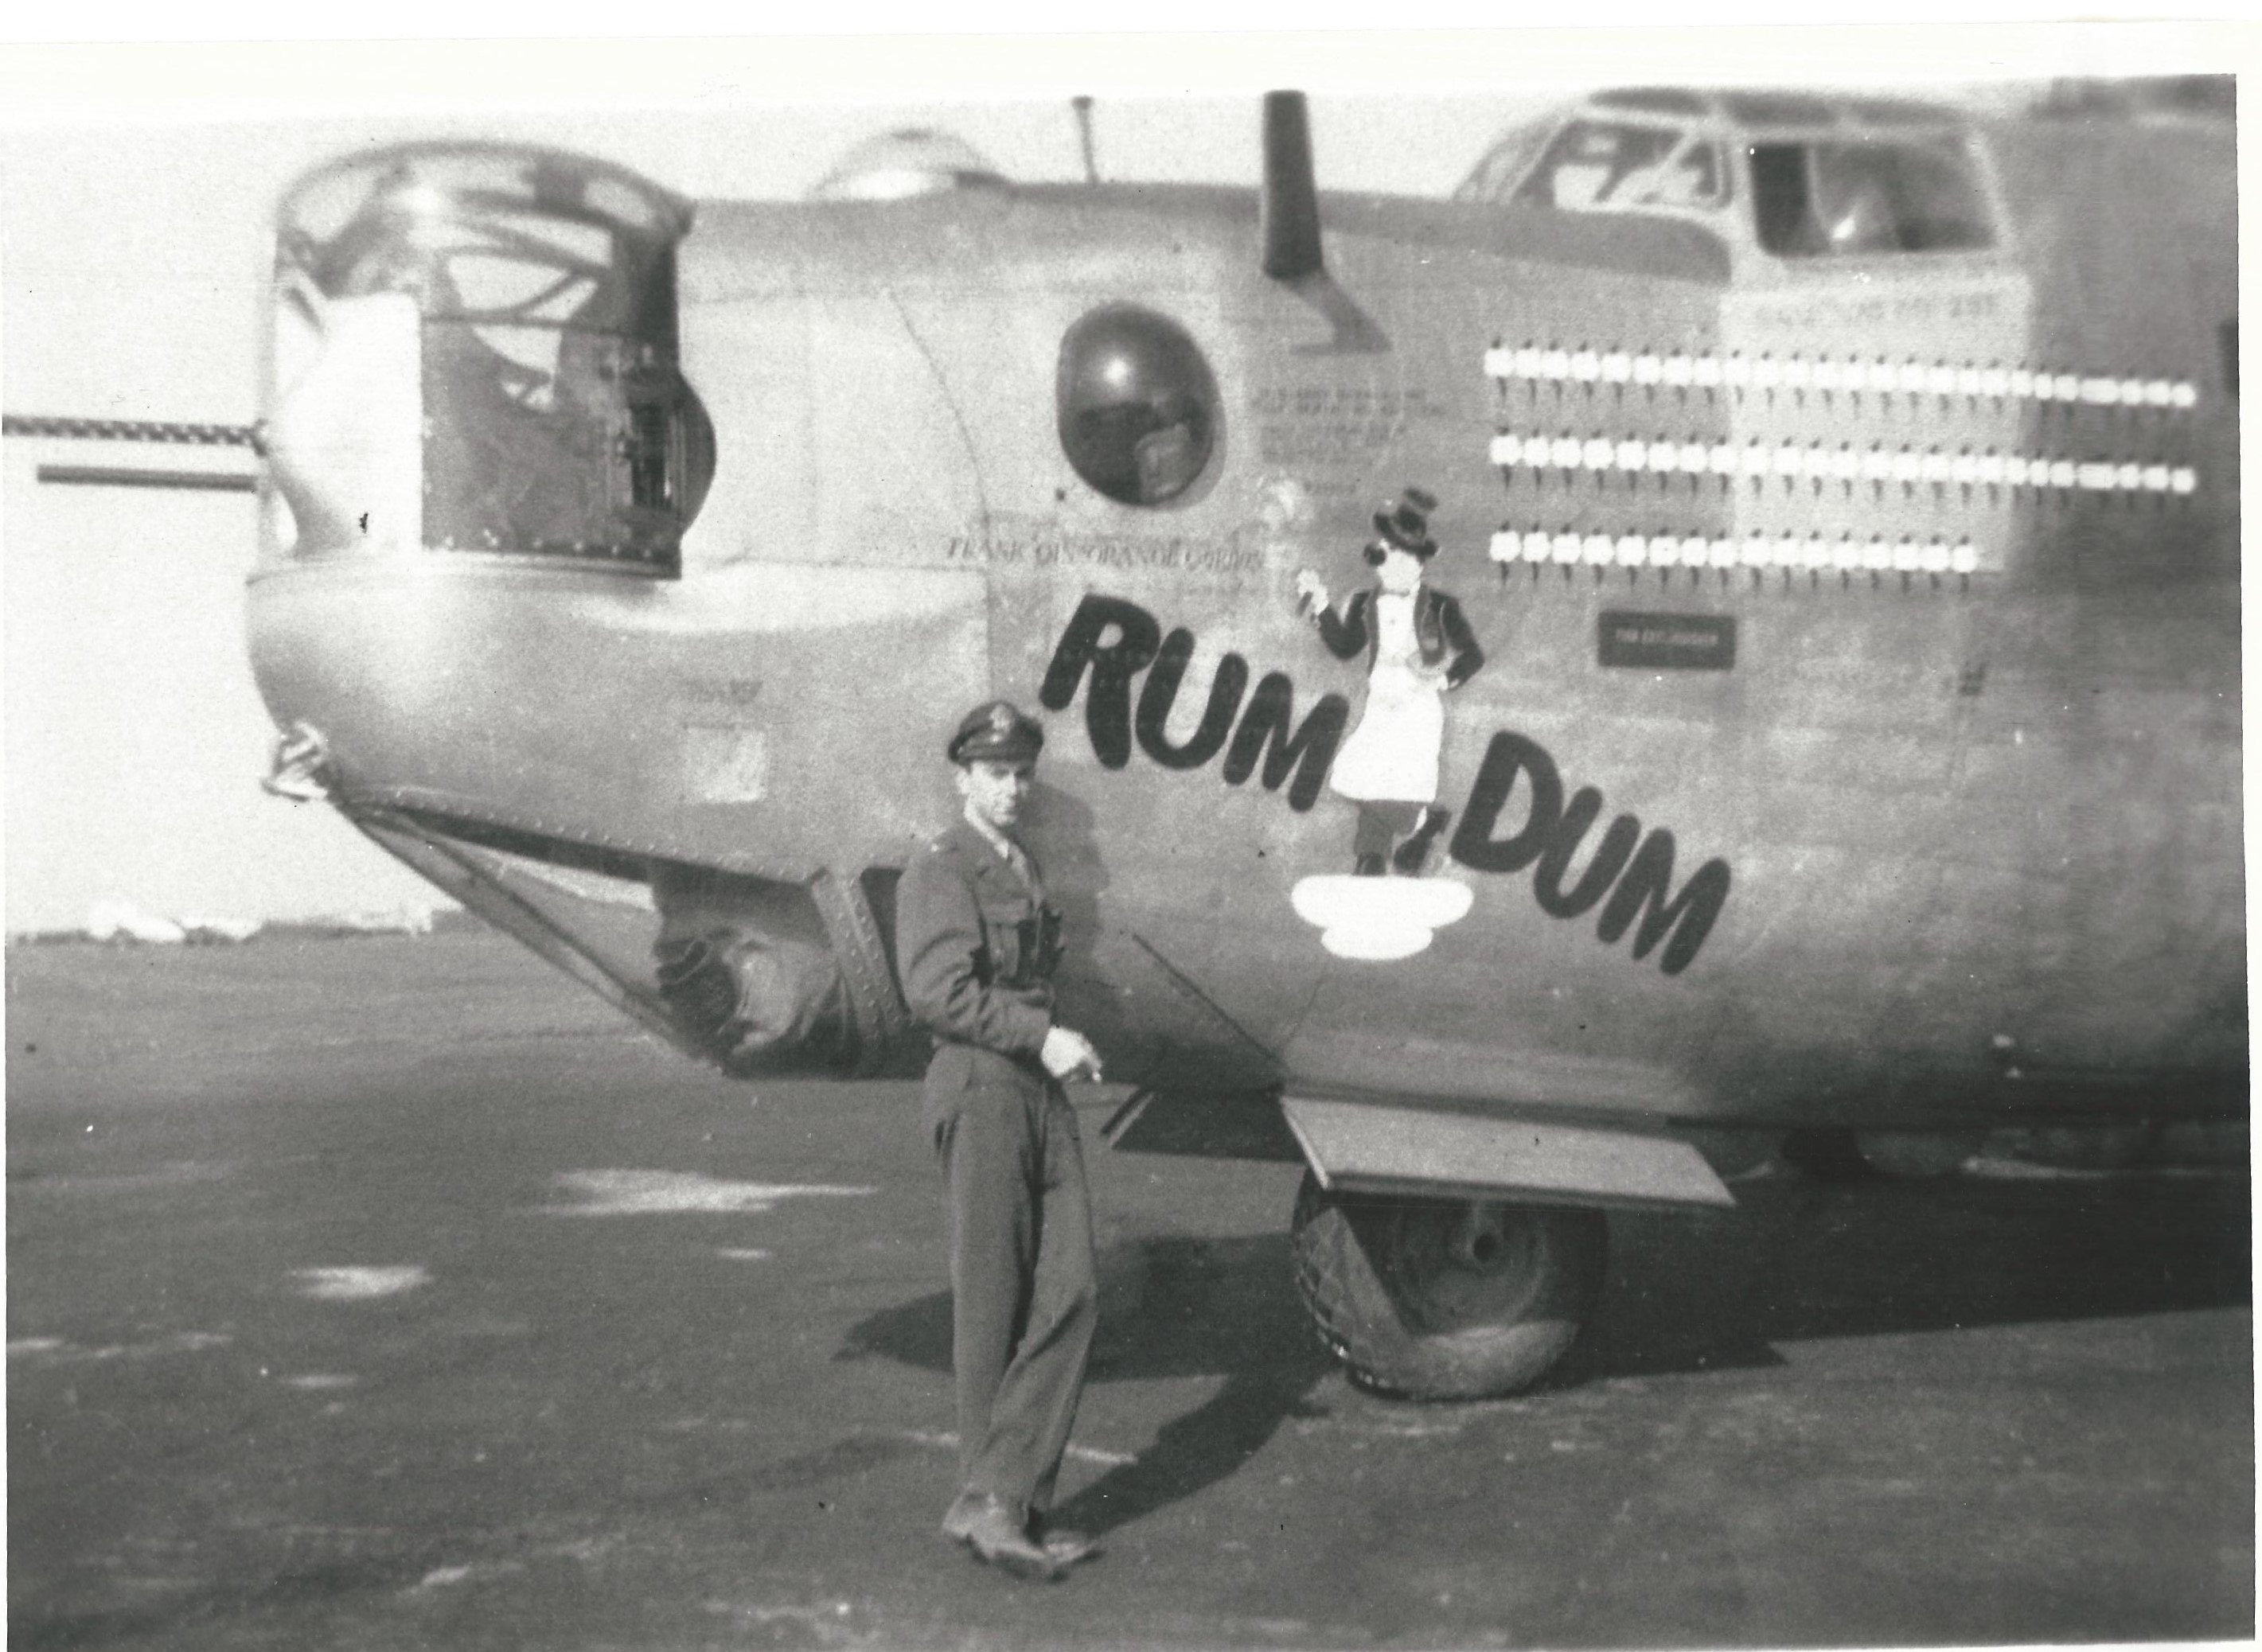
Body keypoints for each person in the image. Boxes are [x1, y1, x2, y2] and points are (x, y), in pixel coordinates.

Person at [895, 700, 1106, 1583]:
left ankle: (999, 1495)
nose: (1012, 788)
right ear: (963, 779)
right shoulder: (941, 868)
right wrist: (1042, 1039)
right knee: (992, 1304)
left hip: (1033, 1087)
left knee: (1074, 1289)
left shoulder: (1021, 867)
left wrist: (1055, 1047)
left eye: (1022, 773)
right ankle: (998, 1506)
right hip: (983, 1085)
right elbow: (935, 993)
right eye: (995, 774)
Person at [1295, 488, 1485, 876]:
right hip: (1380, 705)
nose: (1387, 566)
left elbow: (1474, 655)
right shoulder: (1367, 602)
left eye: (1397, 556)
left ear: (1418, 563)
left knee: (1399, 787)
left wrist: (1446, 680)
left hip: (1417, 708)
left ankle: (1421, 825)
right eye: (1382, 556)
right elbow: (1346, 646)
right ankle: (1373, 856)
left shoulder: (1440, 605)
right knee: (1364, 780)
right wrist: (1321, 604)